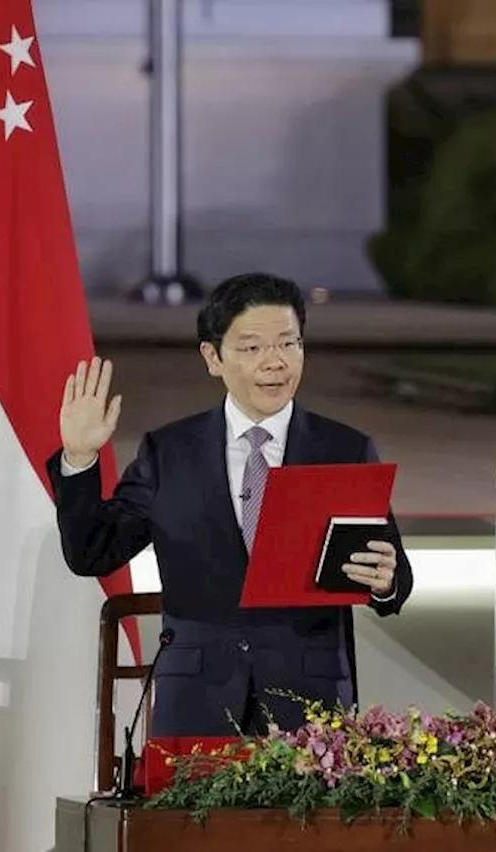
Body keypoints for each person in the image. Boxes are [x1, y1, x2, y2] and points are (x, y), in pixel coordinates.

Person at [48, 273, 413, 736]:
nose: (275, 362)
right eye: (252, 348)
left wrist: (384, 581)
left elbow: (394, 577)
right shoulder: (169, 452)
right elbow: (91, 553)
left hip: (309, 708)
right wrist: (78, 460)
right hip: (196, 702)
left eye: (288, 344)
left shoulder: (343, 448)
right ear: (212, 357)